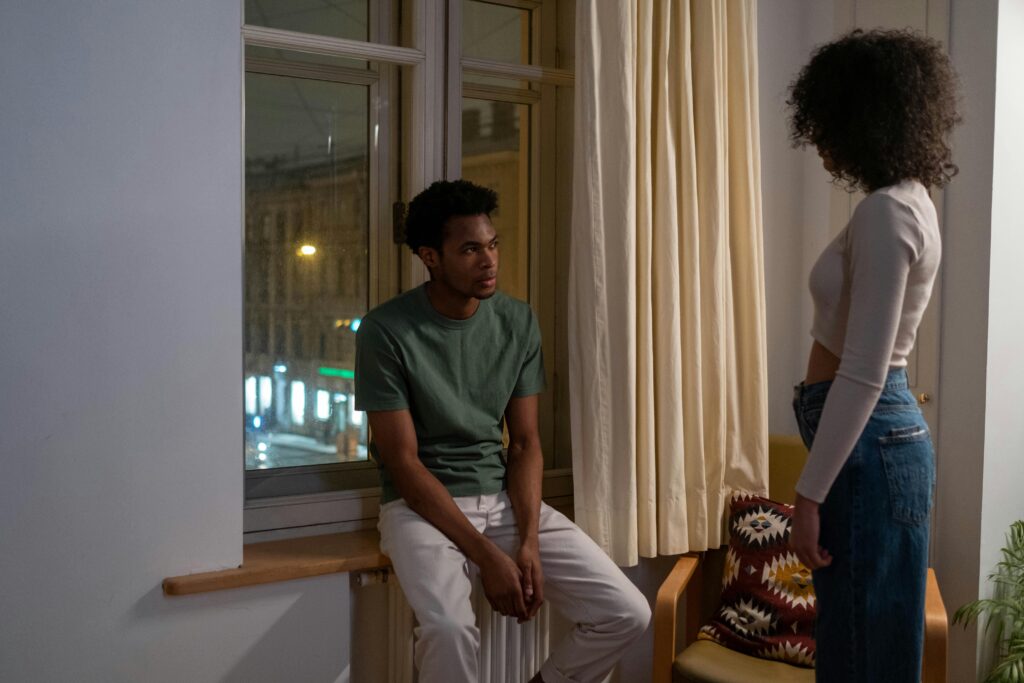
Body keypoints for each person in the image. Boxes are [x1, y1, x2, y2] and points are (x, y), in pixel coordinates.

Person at [355, 179, 650, 683]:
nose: (488, 260)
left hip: (502, 500)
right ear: (430, 256)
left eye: (492, 245)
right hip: (420, 510)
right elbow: (403, 464)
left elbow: (527, 444)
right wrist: (488, 555)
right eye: (469, 249)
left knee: (626, 610)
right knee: (448, 630)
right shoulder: (386, 331)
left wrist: (528, 540)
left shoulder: (517, 321)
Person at [785, 29, 961, 682]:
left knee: (860, 652)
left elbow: (864, 368)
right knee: (869, 643)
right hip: (877, 441)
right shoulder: (909, 202)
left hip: (869, 441)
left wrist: (807, 497)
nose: (824, 145)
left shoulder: (887, 213)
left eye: (829, 123)